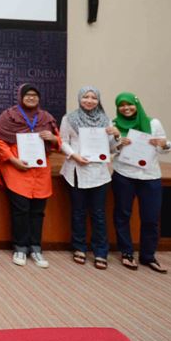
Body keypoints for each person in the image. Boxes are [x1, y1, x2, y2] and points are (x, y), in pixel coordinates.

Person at [0, 84, 60, 268]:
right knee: (20, 210)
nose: (31, 98)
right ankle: (20, 247)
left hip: (40, 172)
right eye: (27, 95)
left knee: (38, 211)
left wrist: (53, 138)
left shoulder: (46, 118)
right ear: (20, 96)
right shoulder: (9, 116)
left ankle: (36, 248)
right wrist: (13, 160)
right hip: (17, 170)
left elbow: (58, 142)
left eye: (34, 95)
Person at [112, 92, 171, 274]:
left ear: (136, 105)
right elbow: (109, 150)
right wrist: (119, 144)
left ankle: (148, 256)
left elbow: (165, 147)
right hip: (124, 174)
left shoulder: (153, 123)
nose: (126, 108)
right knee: (122, 215)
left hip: (150, 176)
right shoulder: (114, 124)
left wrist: (164, 144)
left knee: (151, 218)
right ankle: (126, 252)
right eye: (122, 105)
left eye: (129, 104)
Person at [59, 86, 119, 270]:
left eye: (94, 97)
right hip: (77, 170)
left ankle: (101, 251)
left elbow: (111, 148)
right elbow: (63, 142)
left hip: (99, 173)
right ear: (80, 98)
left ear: (98, 100)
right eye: (86, 97)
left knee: (98, 213)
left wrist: (116, 136)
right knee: (78, 212)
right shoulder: (69, 118)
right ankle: (79, 247)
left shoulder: (106, 120)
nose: (90, 100)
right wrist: (74, 155)